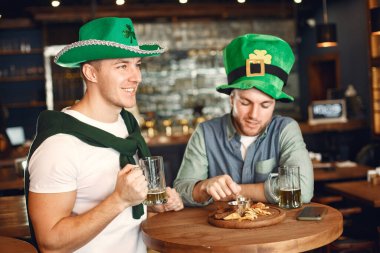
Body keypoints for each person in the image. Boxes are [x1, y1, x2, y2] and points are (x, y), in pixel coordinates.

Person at [26, 17, 183, 253]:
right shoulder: (59, 144)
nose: (136, 77)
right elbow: (51, 243)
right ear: (91, 73)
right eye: (122, 66)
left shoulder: (127, 124)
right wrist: (118, 199)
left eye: (137, 64)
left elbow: (126, 215)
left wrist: (154, 205)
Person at [174, 33, 313, 206]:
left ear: (274, 104)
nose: (254, 115)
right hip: (220, 231)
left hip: (276, 231)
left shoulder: (286, 129)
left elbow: (303, 190)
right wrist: (204, 187)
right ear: (231, 99)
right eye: (246, 102)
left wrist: (231, 192)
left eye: (265, 105)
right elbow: (180, 190)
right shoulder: (205, 132)